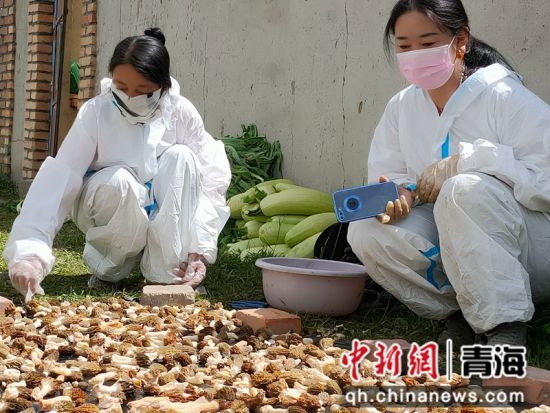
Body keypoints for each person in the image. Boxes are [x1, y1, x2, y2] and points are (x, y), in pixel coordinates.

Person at [347, 0, 550, 347]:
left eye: (428, 44)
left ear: (460, 41)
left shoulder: (505, 97)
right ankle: (460, 315)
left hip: (529, 250)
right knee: (366, 229)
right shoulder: (402, 107)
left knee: (464, 189)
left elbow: (544, 181)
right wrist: (401, 193)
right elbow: (391, 172)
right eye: (404, 46)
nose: (416, 55)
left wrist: (469, 162)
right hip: (460, 251)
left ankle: (505, 326)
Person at [3, 28, 231, 301]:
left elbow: (211, 181)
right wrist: (30, 252)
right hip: (109, 203)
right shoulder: (96, 112)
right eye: (122, 87)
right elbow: (60, 177)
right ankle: (110, 267)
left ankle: (171, 271)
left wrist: (199, 250)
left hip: (161, 206)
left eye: (143, 91)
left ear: (163, 86)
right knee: (119, 181)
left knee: (182, 158)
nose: (130, 97)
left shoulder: (181, 113)